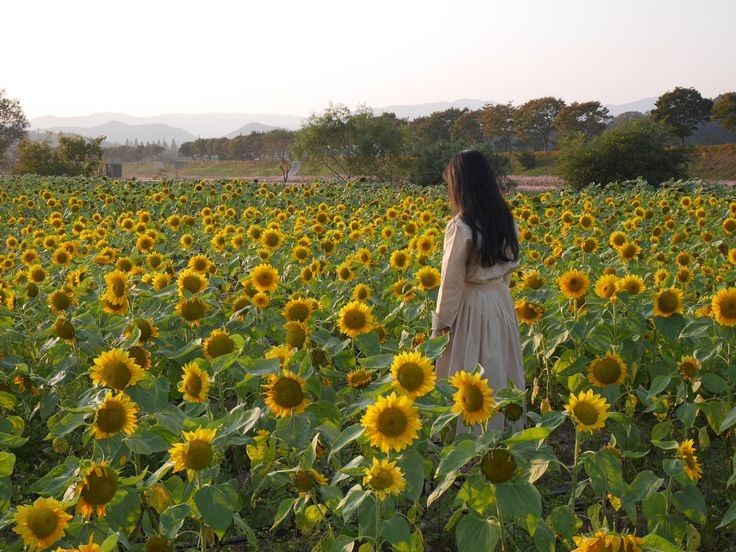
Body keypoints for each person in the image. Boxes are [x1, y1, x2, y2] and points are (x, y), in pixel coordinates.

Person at [431, 149, 525, 433]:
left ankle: (469, 437)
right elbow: (509, 267)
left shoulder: (461, 226)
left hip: (470, 303)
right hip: (500, 299)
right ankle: (503, 431)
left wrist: (440, 326)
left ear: (461, 185)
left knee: (468, 368)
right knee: (499, 364)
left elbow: (451, 283)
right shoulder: (505, 219)